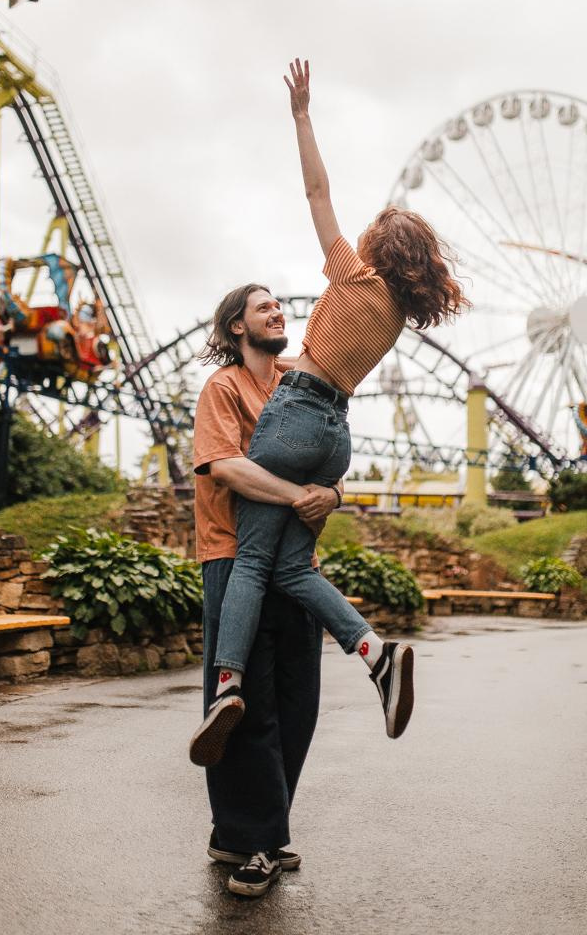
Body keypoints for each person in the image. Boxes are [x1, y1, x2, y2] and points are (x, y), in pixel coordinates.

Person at [190, 57, 471, 774]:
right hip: (334, 438)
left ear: (380, 250)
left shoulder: (354, 276)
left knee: (253, 558)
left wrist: (302, 115)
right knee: (290, 567)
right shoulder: (397, 316)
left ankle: (225, 688)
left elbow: (316, 190)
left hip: (294, 415)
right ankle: (375, 656)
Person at [193, 284, 340, 897]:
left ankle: (247, 830)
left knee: (298, 704)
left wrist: (331, 494)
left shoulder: (297, 382)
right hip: (235, 560)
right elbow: (225, 466)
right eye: (263, 307)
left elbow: (328, 454)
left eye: (281, 305)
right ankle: (255, 844)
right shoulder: (222, 389)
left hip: (293, 565)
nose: (278, 311)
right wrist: (298, 495)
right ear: (235, 328)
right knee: (245, 708)